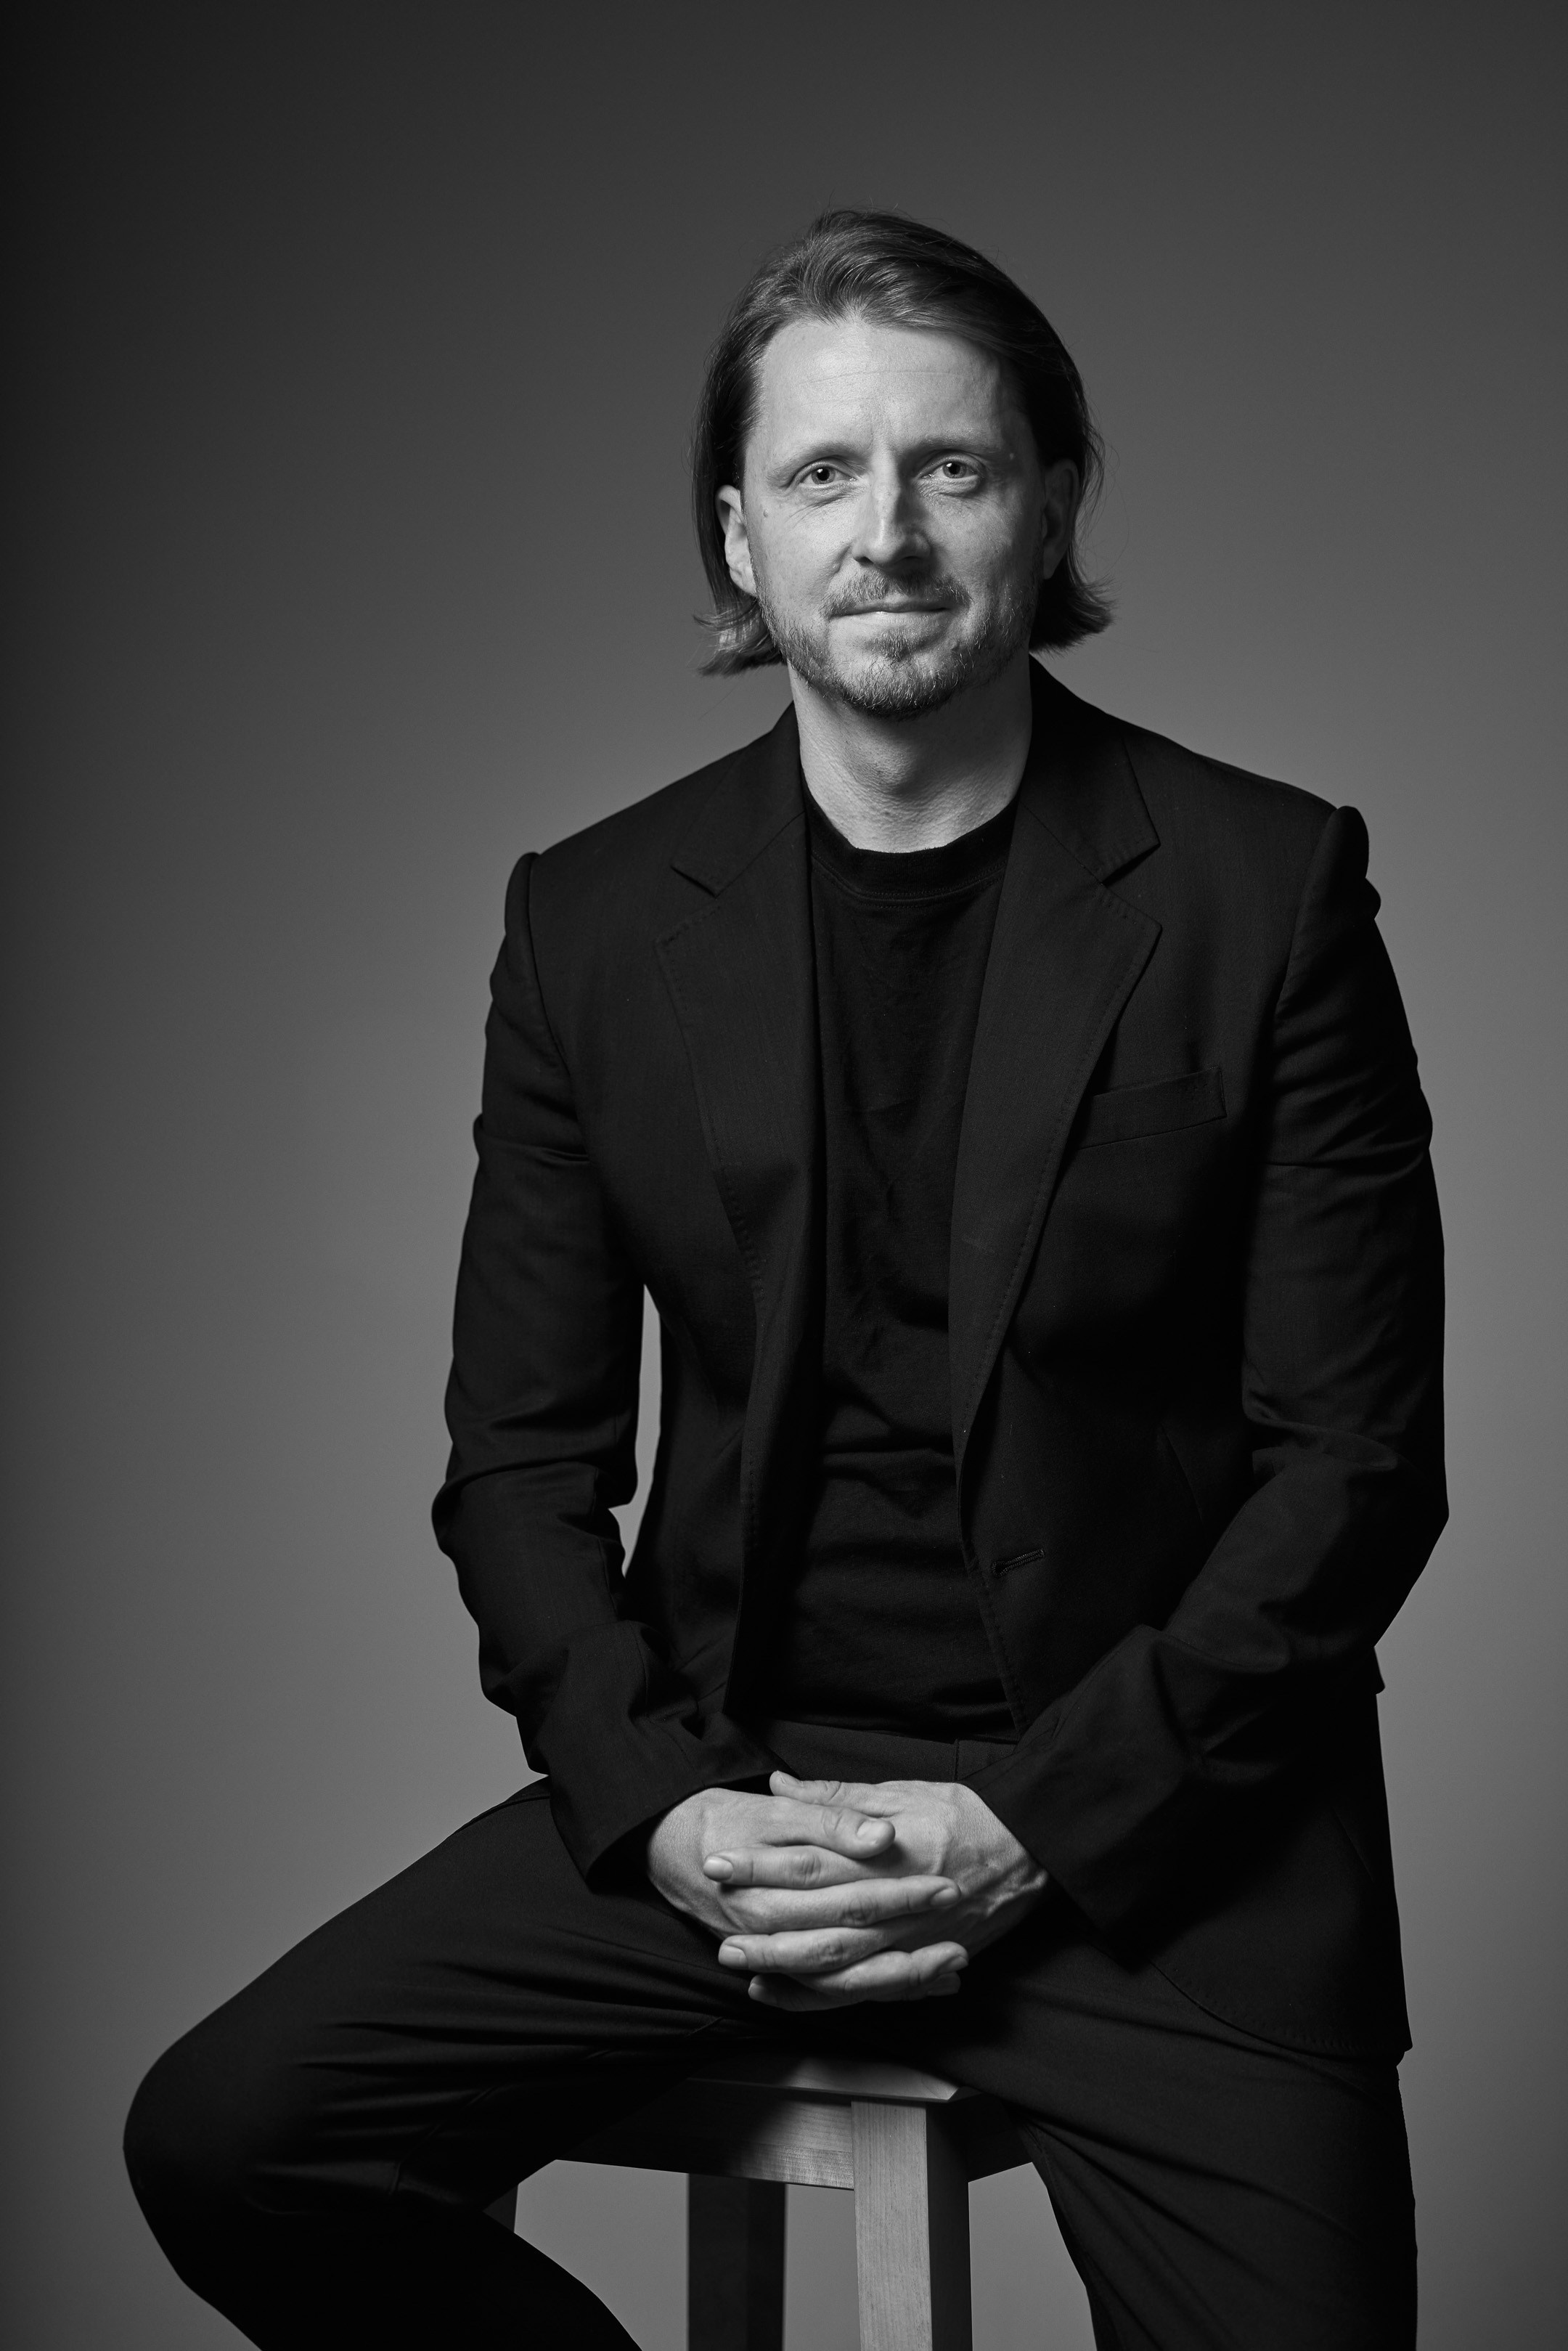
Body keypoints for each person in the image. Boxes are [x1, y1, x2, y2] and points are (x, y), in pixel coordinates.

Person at [125, 209, 1445, 2350]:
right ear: (740, 539)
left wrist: (1034, 1825)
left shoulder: (1265, 888)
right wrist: (662, 1811)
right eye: (824, 473)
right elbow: (519, 1463)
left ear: (1049, 511)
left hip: (1158, 1830)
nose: (888, 532)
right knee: (235, 2139)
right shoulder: (591, 923)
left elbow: (1356, 1469)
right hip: (743, 1799)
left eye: (954, 467)